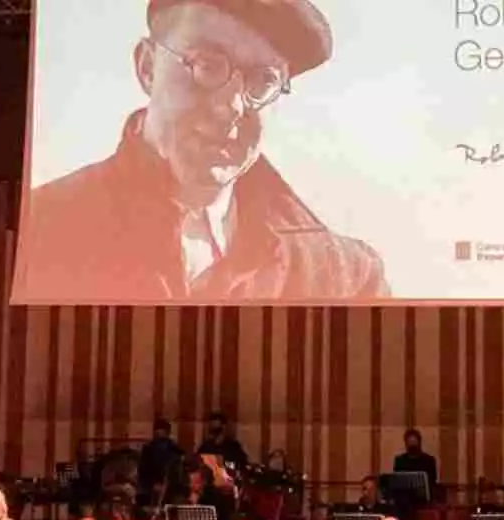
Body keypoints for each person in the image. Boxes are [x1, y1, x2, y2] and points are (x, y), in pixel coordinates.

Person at [20, 0, 389, 302]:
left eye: (263, 80)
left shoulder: (343, 278)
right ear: (147, 68)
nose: (230, 105)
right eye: (207, 65)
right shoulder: (41, 229)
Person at [138, 418, 182, 503]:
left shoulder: (175, 449)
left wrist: (168, 485)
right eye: (157, 432)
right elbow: (144, 469)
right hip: (151, 486)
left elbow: (177, 470)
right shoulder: (148, 449)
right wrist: (153, 483)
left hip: (170, 486)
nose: (159, 434)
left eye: (163, 431)